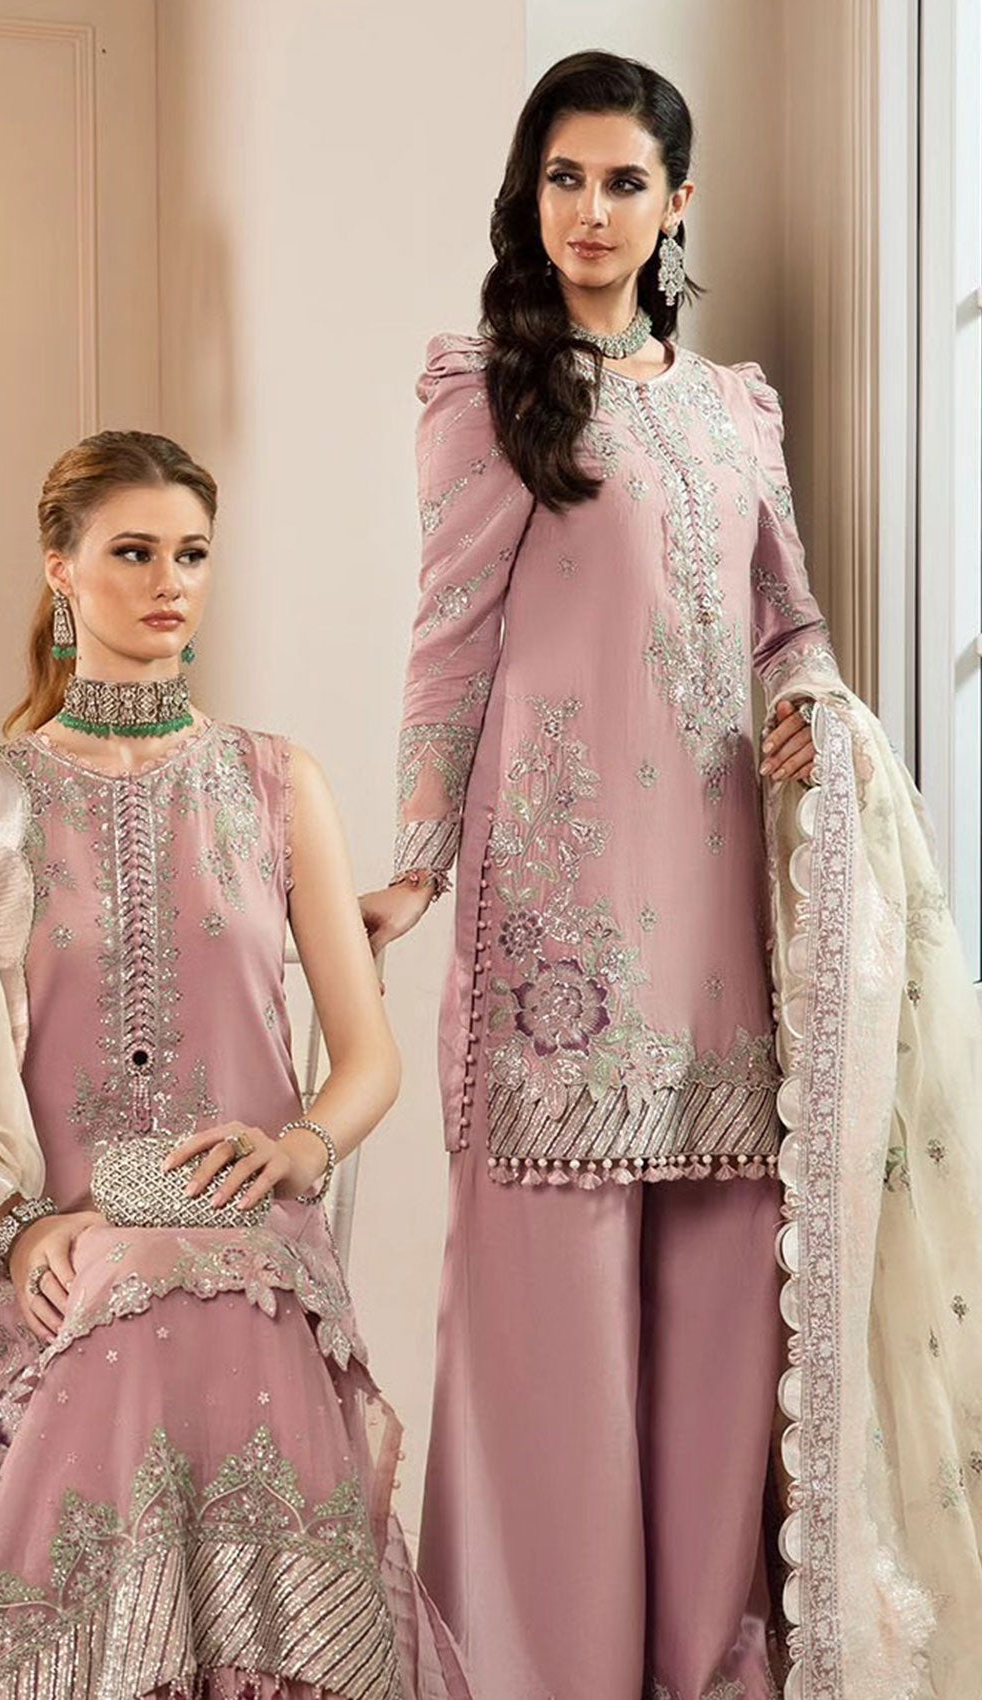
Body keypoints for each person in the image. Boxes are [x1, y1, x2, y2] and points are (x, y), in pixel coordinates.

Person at [362, 49, 982, 1700]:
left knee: (721, 1330)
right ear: (530, 194)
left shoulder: (735, 409)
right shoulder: (483, 392)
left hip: (718, 925)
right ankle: (539, 1671)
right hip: (555, 924)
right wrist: (416, 865)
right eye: (563, 178)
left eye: (624, 181)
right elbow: (447, 640)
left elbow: (789, 623)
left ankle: (710, 1669)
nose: (591, 210)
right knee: (548, 1351)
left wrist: (808, 713)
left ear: (676, 201)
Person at [0, 429, 471, 1700]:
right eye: (135, 552)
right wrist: (20, 1229)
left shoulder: (276, 782)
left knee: (188, 1297)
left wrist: (296, 1146)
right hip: (57, 1261)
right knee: (125, 1294)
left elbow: (367, 1055)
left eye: (193, 554)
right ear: (62, 568)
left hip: (253, 1233)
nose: (170, 582)